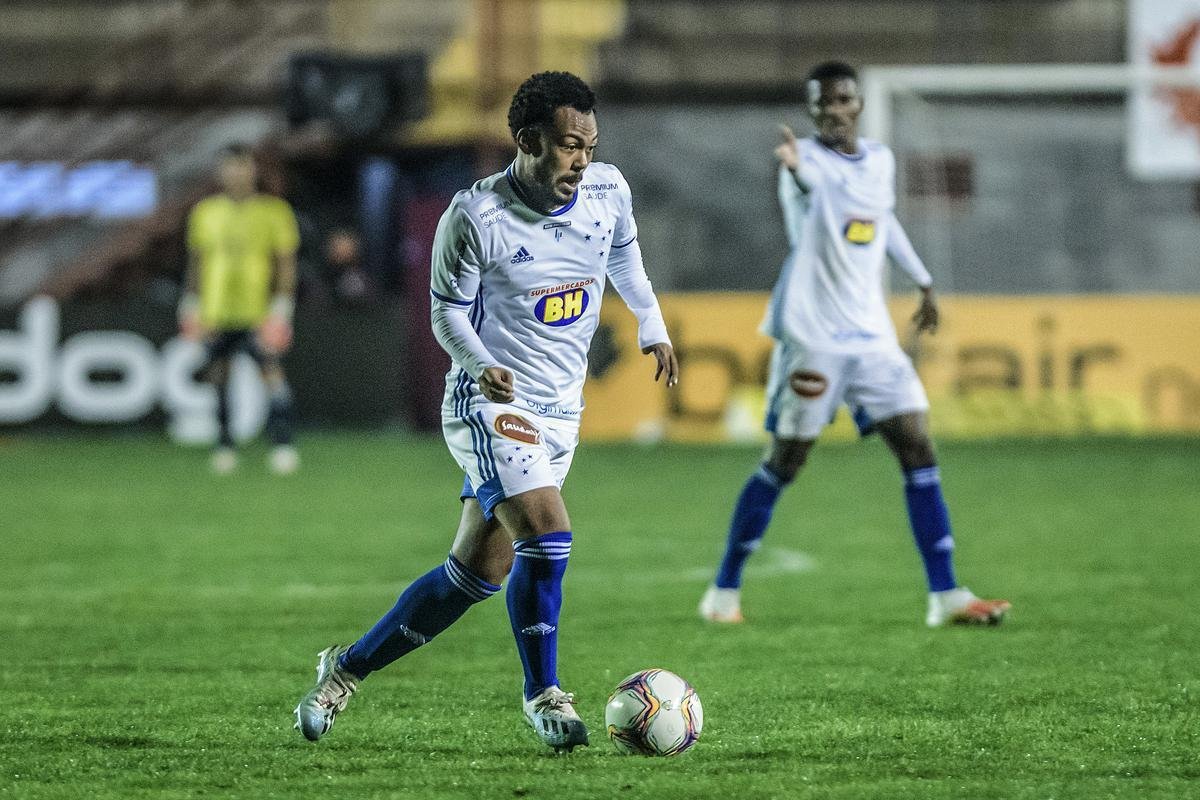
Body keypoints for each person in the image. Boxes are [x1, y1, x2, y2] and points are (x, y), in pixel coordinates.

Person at [294, 71, 678, 753]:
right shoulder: (475, 217)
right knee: (548, 531)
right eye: (567, 146)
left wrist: (651, 324)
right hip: (488, 401)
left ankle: (344, 669)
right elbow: (443, 311)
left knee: (475, 575)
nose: (581, 160)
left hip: (561, 409)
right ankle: (544, 694)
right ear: (527, 140)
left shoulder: (607, 191)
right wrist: (479, 364)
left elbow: (624, 254)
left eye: (589, 145)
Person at [698, 61, 1010, 628]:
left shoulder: (881, 160)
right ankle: (723, 591)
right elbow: (819, 196)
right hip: (813, 334)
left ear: (857, 103)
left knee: (917, 443)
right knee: (787, 460)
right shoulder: (804, 163)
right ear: (812, 108)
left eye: (842, 100)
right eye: (821, 103)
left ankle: (947, 595)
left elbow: (881, 221)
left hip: (870, 335)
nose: (832, 111)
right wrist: (796, 171)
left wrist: (923, 280)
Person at [180, 144, 301, 475]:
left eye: (242, 166)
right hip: (216, 311)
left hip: (258, 312)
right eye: (229, 167)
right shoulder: (205, 212)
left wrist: (281, 306)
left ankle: (282, 443)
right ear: (221, 172)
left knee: (271, 373)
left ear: (253, 170)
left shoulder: (274, 211)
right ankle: (224, 444)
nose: (236, 173)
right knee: (219, 375)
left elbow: (285, 263)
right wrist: (190, 302)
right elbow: (197, 261)